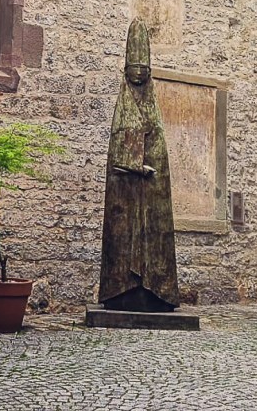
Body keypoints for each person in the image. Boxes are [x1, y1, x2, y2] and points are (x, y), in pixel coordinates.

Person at [98, 18, 180, 312]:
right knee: (122, 238)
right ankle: (121, 289)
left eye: (143, 71)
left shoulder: (152, 108)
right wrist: (133, 165)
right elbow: (119, 148)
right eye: (133, 71)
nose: (138, 76)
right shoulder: (123, 107)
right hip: (124, 192)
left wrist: (147, 167)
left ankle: (155, 289)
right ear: (126, 71)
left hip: (151, 192)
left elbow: (157, 149)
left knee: (153, 236)